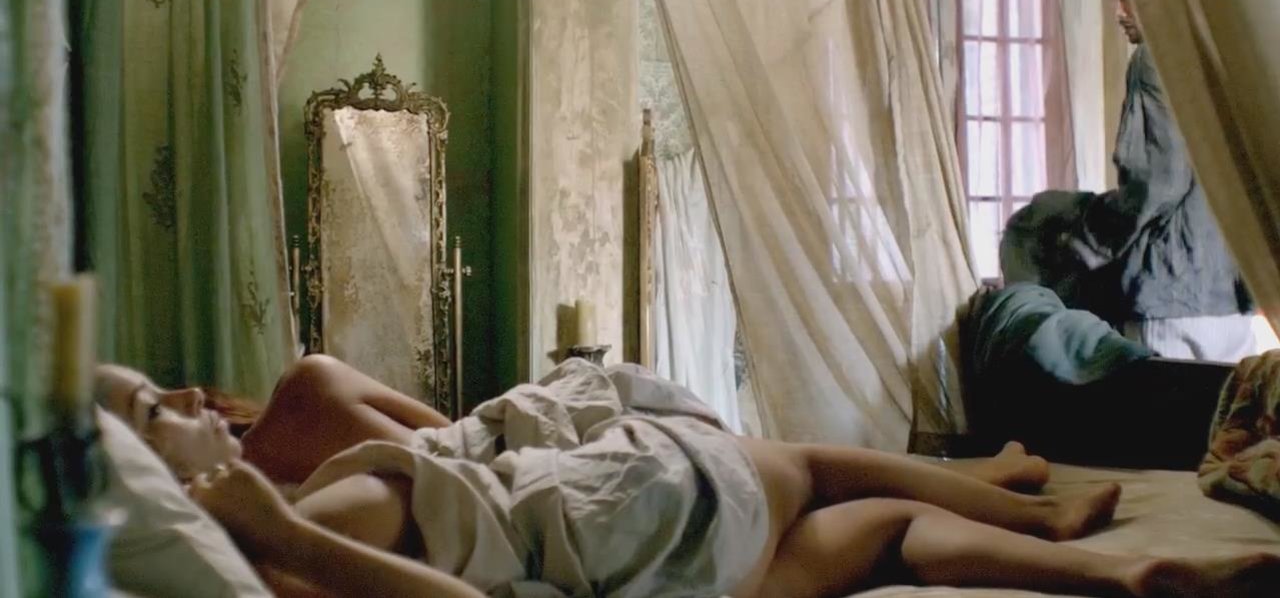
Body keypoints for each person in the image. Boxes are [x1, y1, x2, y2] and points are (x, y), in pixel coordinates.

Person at [96, 356, 1280, 598]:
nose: (193, 397)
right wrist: (278, 525)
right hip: (627, 520)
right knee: (805, 462)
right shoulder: (303, 516)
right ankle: (1042, 503)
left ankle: (1110, 575)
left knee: (880, 529)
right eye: (159, 408)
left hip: (672, 572)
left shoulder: (281, 528)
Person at [1001, 0, 1255, 364]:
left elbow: (1157, 182)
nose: (1118, 12)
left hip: (1169, 299)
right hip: (1232, 301)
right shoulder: (1232, 57)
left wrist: (1089, 242)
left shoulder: (1157, 59)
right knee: (1224, 407)